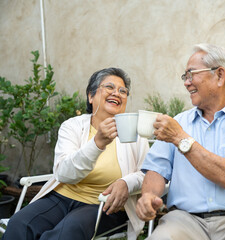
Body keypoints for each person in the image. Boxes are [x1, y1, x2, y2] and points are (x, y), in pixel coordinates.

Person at [136, 43, 225, 240]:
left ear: (220, 75)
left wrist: (181, 139)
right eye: (185, 77)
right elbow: (156, 169)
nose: (186, 83)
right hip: (184, 221)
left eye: (191, 74)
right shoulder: (178, 123)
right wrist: (148, 196)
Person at [3, 67, 149, 240]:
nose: (117, 93)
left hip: (103, 205)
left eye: (123, 91)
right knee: (20, 224)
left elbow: (147, 173)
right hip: (61, 197)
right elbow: (64, 173)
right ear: (91, 96)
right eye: (109, 87)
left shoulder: (135, 134)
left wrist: (126, 183)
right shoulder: (72, 126)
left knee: (66, 233)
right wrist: (97, 144)